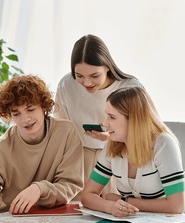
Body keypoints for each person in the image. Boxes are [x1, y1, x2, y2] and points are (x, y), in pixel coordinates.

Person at [81, 86, 185, 223]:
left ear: (134, 120)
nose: (104, 123)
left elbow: (176, 206)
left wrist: (124, 200)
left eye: (112, 117)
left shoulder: (163, 144)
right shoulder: (112, 146)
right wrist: (110, 206)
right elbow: (87, 195)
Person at [0, 75, 84, 223]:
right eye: (16, 114)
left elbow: (70, 184)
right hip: (14, 222)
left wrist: (39, 189)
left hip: (58, 220)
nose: (25, 119)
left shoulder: (66, 132)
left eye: (30, 109)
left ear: (44, 107)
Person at [54, 34, 145, 197]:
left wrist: (111, 138)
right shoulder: (67, 84)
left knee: (117, 210)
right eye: (80, 76)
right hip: (78, 159)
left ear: (107, 67)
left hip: (118, 157)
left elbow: (145, 133)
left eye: (94, 76)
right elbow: (59, 126)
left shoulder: (129, 87)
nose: (87, 83)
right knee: (77, 214)